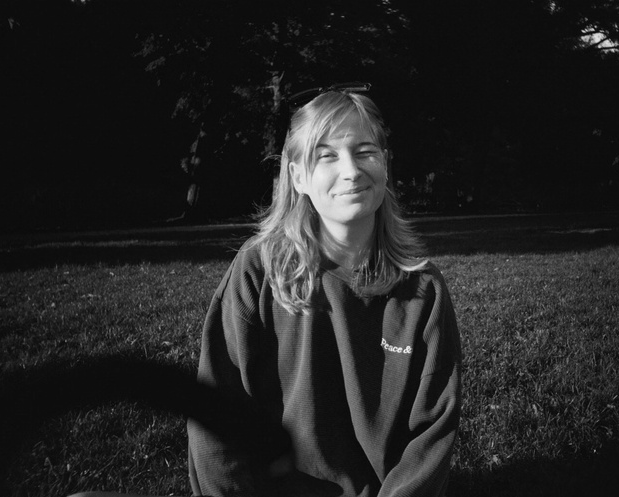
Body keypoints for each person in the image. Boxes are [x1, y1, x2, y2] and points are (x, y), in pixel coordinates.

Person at [187, 87, 462, 497]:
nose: (351, 171)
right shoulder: (258, 270)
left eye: (365, 151)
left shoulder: (423, 290)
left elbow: (432, 433)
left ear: (386, 164)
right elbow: (216, 416)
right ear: (298, 177)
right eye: (326, 155)